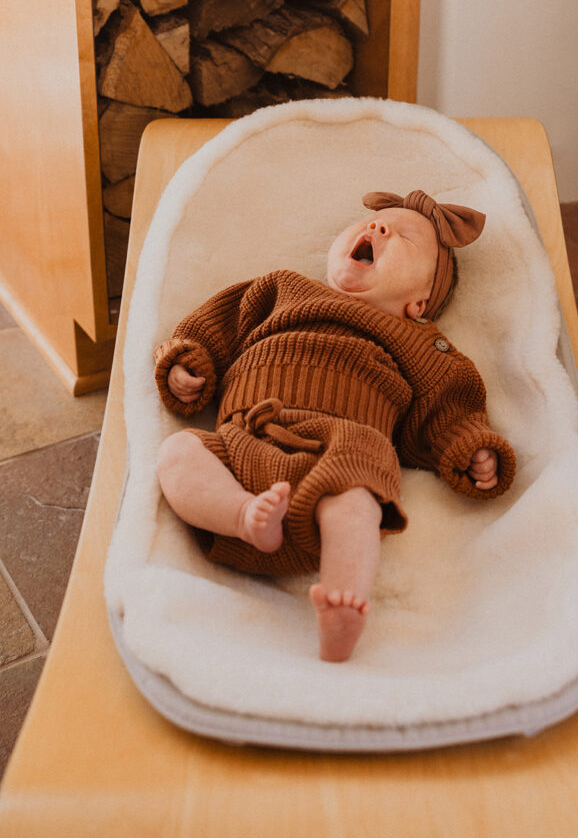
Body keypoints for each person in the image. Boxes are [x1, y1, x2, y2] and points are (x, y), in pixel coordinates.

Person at [154, 190, 516, 662]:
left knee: (358, 501)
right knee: (178, 453)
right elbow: (216, 324)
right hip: (247, 438)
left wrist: (470, 448)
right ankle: (242, 515)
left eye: (404, 237)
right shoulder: (281, 289)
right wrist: (189, 362)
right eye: (373, 222)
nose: (379, 229)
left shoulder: (421, 344)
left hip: (346, 446)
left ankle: (344, 602)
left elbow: (449, 409)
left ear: (419, 302)